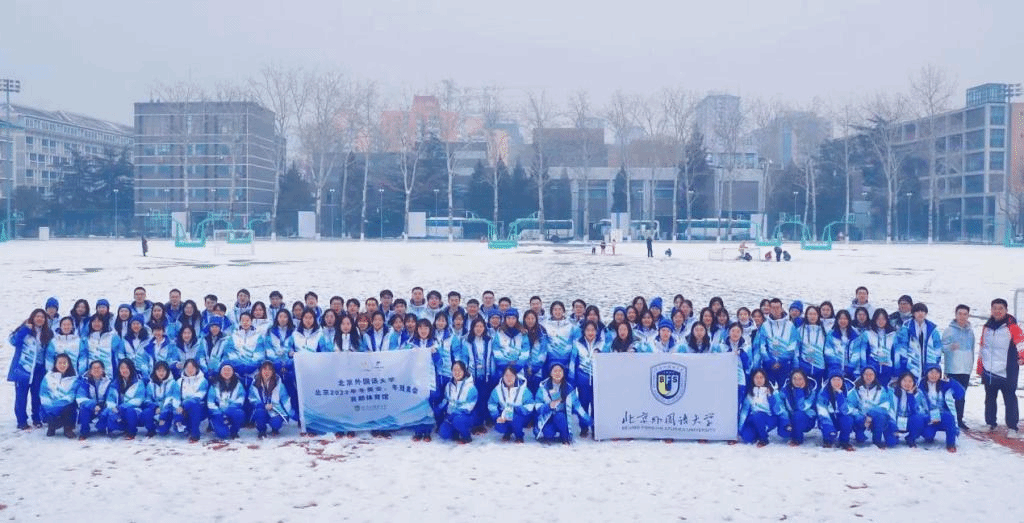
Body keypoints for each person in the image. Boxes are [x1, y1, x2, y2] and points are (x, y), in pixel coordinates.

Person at [977, 298, 1024, 437]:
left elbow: (1021, 342)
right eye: (994, 308)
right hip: (989, 369)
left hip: (1007, 370)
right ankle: (990, 423)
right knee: (990, 398)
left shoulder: (1012, 327)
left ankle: (1012, 427)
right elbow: (983, 346)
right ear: (991, 310)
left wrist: (1022, 357)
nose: (997, 311)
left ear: (1006, 310)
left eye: (1000, 308)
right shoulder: (987, 326)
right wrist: (980, 366)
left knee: (1010, 399)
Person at [8, 308, 55, 429]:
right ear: (33, 317)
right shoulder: (25, 329)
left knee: (37, 395)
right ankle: (21, 421)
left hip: (39, 369)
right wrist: (24, 330)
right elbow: (13, 341)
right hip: (23, 368)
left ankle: (36, 418)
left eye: (42, 317)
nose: (40, 319)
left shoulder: (47, 333)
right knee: (21, 396)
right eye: (37, 316)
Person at [534, 363, 589, 444]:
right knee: (548, 433)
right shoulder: (543, 388)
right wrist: (548, 406)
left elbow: (577, 406)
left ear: (563, 373)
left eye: (560, 371)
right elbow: (537, 406)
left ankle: (565, 437)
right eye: (555, 371)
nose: (557, 373)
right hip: (548, 418)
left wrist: (587, 419)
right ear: (550, 373)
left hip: (562, 418)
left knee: (559, 416)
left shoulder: (568, 388)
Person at [941, 304, 975, 430]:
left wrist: (971, 365)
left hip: (965, 369)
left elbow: (972, 349)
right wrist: (950, 347)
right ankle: (949, 419)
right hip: (952, 369)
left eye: (965, 314)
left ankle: (959, 419)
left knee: (961, 395)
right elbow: (941, 348)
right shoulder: (949, 330)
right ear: (955, 315)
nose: (962, 317)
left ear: (968, 316)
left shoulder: (970, 332)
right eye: (960, 314)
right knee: (950, 395)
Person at [848, 365, 895, 448]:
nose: (868, 377)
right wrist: (860, 415)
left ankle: (877, 440)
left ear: (875, 376)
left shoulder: (881, 390)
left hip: (875, 417)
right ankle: (859, 434)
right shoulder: (855, 390)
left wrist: (871, 414)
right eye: (866, 374)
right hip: (861, 417)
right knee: (860, 437)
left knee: (881, 417)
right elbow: (849, 406)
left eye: (871, 374)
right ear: (862, 375)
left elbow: (885, 405)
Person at [918, 364, 961, 452]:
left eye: (937, 373)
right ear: (926, 373)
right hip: (929, 417)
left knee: (948, 417)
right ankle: (929, 434)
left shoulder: (944, 385)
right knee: (928, 435)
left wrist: (951, 381)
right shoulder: (921, 386)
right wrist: (927, 418)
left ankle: (951, 444)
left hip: (943, 416)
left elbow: (960, 394)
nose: (934, 375)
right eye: (931, 372)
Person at [894, 302, 942, 380]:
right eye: (917, 311)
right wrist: (902, 364)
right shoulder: (906, 328)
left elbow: (938, 347)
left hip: (929, 365)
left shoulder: (933, 329)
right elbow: (900, 348)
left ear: (926, 313)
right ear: (913, 313)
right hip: (911, 365)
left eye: (922, 311)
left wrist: (936, 363)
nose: (920, 314)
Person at [757, 298, 797, 387]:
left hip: (785, 364)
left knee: (784, 389)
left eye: (778, 308)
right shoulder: (765, 325)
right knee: (769, 388)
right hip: (769, 364)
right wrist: (770, 361)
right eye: (773, 308)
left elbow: (793, 345)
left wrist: (781, 361)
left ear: (782, 309)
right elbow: (762, 345)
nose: (775, 310)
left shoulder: (790, 325)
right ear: (770, 309)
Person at [488, 365, 534, 442]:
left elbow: (530, 404)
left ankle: (519, 435)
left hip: (520, 415)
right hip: (504, 415)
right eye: (506, 375)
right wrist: (497, 416)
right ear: (502, 377)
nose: (509, 378)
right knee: (499, 426)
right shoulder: (497, 389)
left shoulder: (523, 389)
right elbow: (491, 404)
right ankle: (507, 432)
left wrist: (517, 409)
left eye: (511, 375)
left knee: (516, 419)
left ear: (515, 376)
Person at [103, 358, 146, 439]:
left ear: (131, 369)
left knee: (129, 412)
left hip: (134, 409)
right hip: (118, 410)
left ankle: (131, 432)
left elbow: (139, 399)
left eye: (127, 368)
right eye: (122, 368)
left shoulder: (138, 382)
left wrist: (122, 407)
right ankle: (121, 428)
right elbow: (110, 398)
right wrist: (113, 407)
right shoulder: (115, 383)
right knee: (107, 414)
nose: (124, 370)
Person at [249, 360, 292, 438]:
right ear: (260, 371)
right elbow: (252, 398)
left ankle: (275, 428)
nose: (267, 372)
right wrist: (263, 405)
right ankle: (261, 430)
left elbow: (285, 399)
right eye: (264, 369)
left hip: (275, 410)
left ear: (273, 372)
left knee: (276, 423)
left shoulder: (279, 384)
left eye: (270, 369)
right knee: (259, 412)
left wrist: (290, 413)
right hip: (261, 409)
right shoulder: (255, 383)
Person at [40, 353, 79, 438]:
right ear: (55, 364)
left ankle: (68, 429)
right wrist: (49, 405)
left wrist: (58, 404)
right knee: (46, 411)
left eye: (64, 363)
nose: (62, 365)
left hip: (65, 406)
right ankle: (51, 426)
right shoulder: (48, 377)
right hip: (50, 407)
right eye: (59, 363)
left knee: (71, 406)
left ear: (69, 364)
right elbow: (43, 393)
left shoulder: (74, 378)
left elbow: (72, 395)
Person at [738, 369, 780, 447]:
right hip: (753, 418)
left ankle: (763, 439)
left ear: (765, 379)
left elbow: (777, 409)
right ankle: (758, 432)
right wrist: (740, 428)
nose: (759, 380)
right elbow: (744, 411)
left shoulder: (771, 391)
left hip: (767, 418)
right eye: (756, 378)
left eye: (761, 377)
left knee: (758, 416)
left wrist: (770, 396)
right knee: (747, 437)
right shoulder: (750, 393)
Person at [438, 361, 477, 444]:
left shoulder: (470, 387)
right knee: (443, 433)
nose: (457, 373)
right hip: (451, 415)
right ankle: (456, 432)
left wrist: (456, 412)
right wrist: (440, 407)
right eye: (454, 370)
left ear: (464, 371)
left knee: (458, 420)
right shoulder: (449, 386)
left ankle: (466, 436)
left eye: (459, 370)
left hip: (466, 415)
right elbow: (446, 399)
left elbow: (470, 406)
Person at [816, 367, 855, 450]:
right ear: (830, 381)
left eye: (839, 380)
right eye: (834, 380)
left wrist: (840, 396)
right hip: (829, 417)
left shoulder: (850, 391)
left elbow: (847, 410)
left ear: (842, 381)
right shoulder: (823, 392)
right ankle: (827, 440)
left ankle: (844, 441)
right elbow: (822, 410)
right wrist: (828, 426)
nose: (836, 382)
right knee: (824, 422)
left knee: (848, 419)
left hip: (841, 416)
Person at [776, 369, 817, 446]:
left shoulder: (811, 391)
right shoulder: (786, 390)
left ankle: (797, 439)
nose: (797, 381)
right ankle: (791, 430)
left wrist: (799, 391)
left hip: (807, 419)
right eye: (794, 379)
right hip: (790, 418)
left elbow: (801, 408)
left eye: (800, 379)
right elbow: (780, 405)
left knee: (798, 414)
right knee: (783, 432)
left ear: (805, 379)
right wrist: (786, 420)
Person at [207, 363, 246, 440]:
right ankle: (214, 424)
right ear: (220, 372)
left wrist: (232, 407)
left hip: (231, 410)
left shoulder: (238, 384)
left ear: (233, 372)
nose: (227, 372)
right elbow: (210, 401)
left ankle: (234, 431)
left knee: (239, 413)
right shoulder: (214, 384)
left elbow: (241, 398)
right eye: (224, 370)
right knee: (223, 435)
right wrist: (217, 411)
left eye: (229, 370)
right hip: (218, 412)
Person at [75, 360, 113, 440]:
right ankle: (84, 431)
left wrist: (101, 405)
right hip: (90, 407)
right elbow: (80, 397)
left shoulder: (109, 382)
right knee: (83, 409)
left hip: (103, 407)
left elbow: (111, 398)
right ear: (90, 371)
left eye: (99, 368)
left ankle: (102, 427)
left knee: (109, 411)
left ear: (103, 370)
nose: (96, 370)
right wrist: (93, 405)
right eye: (94, 368)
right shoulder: (85, 382)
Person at [888, 371, 925, 448]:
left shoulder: (918, 394)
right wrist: (894, 426)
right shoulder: (892, 392)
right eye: (904, 381)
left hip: (909, 422)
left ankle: (911, 438)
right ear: (900, 381)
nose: (907, 383)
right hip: (894, 421)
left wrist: (910, 396)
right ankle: (894, 435)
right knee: (891, 442)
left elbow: (917, 411)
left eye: (910, 381)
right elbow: (890, 410)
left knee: (919, 418)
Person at [143, 361, 176, 437]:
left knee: (163, 431)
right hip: (155, 408)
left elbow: (172, 399)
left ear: (167, 371)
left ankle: (165, 425)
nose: (161, 373)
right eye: (159, 371)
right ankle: (151, 429)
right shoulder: (150, 384)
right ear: (155, 371)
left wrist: (162, 409)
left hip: (167, 409)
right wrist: (155, 407)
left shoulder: (172, 383)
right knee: (146, 412)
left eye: (163, 371)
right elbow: (147, 399)